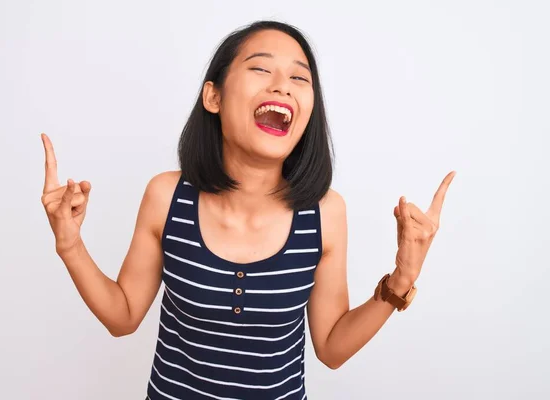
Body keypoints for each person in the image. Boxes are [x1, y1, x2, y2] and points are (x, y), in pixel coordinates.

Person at [40, 20, 455, 400]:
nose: (283, 86)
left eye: (299, 77)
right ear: (214, 96)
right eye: (261, 69)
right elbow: (123, 317)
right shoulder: (168, 197)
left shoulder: (323, 214)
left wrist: (402, 280)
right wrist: (70, 244)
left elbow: (331, 347)